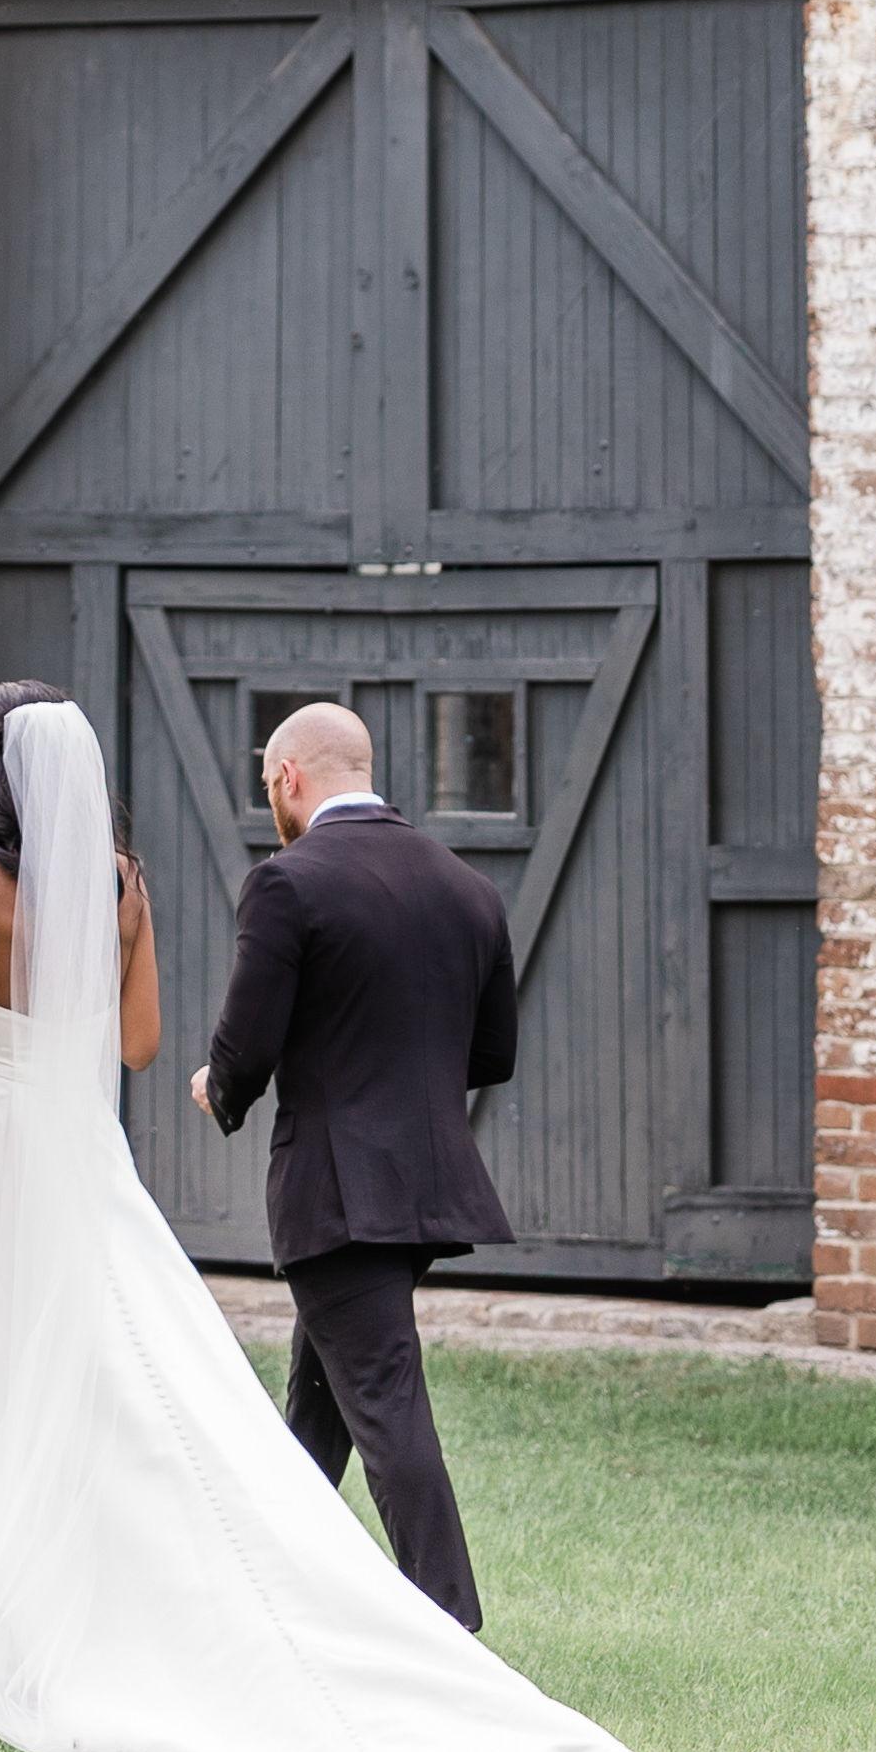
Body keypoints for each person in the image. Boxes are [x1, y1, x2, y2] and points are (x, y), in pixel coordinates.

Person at [0, 681, 626, 1752]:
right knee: (127, 1375)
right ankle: (127, 1601)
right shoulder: (124, 885)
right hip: (85, 1152)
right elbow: (137, 1043)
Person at [193, 698, 515, 1629]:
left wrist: (218, 1086)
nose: (270, 803)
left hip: (335, 1192)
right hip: (426, 1184)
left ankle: (451, 1630)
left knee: (383, 1402)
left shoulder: (286, 883)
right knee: (317, 1411)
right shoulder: (466, 887)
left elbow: (246, 1048)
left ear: (288, 776)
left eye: (268, 785)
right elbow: (490, 1055)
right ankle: (264, 1603)